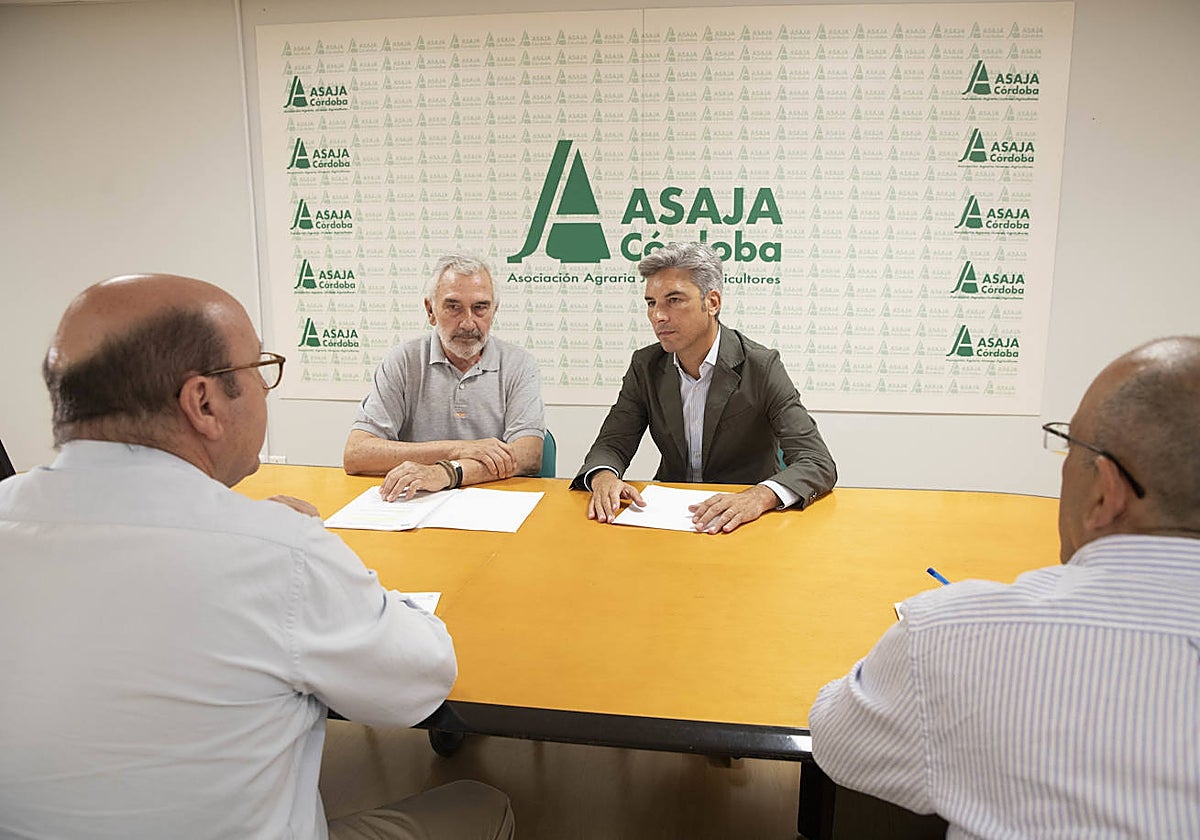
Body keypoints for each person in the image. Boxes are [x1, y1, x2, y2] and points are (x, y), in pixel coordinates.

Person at [0, 274, 514, 840]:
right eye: (260, 369)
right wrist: (312, 558)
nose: (266, 390)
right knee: (481, 803)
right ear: (203, 402)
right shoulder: (278, 554)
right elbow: (423, 676)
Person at [809, 336, 1200, 838]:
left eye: (1070, 445)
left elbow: (839, 742)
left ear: (1107, 491)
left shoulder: (952, 634)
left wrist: (928, 640)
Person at [571, 242, 836, 533]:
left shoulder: (761, 366)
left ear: (712, 303)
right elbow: (612, 443)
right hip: (670, 517)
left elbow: (816, 461)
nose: (658, 316)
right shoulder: (645, 365)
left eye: (674, 300)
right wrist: (604, 477)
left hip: (744, 521)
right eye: (651, 303)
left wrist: (759, 496)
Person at [344, 254, 545, 501]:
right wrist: (457, 449)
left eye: (480, 307)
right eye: (453, 307)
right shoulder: (403, 361)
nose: (468, 323)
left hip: (493, 501)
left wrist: (448, 472)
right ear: (430, 310)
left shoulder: (519, 364)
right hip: (415, 501)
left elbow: (529, 454)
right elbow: (357, 453)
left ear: (494, 311)